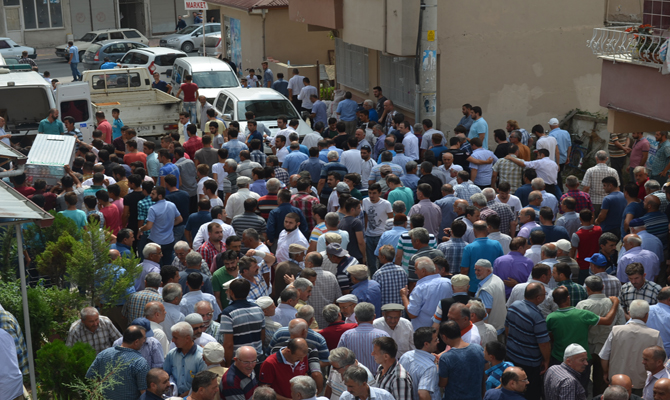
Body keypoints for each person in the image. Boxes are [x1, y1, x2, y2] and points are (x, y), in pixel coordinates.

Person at [600, 300, 664, 394]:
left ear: (629, 313)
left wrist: (606, 372)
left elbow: (604, 356)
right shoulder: (654, 335)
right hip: (641, 382)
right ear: (647, 315)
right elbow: (661, 361)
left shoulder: (616, 330)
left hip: (617, 382)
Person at [85, 326, 149, 400]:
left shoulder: (104, 354)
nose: (144, 341)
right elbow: (144, 392)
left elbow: (90, 376)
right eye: (144, 338)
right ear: (136, 342)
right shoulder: (139, 362)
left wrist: (99, 393)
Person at [437, 320, 486, 399]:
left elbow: (442, 383)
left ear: (444, 337)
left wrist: (436, 365)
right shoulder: (479, 349)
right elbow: (485, 373)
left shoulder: (446, 358)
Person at [400, 257, 453, 329]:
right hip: (444, 329)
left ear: (423, 271)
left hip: (424, 332)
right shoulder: (448, 283)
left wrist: (403, 296)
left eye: (416, 269)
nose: (415, 272)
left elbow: (412, 314)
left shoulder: (420, 288)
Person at [338, 302, 390, 372]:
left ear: (356, 318)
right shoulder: (383, 335)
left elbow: (339, 358)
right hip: (378, 378)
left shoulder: (346, 335)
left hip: (354, 378)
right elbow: (391, 360)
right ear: (374, 317)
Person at [399, 327, 441, 400]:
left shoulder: (406, 356)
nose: (438, 342)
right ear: (426, 344)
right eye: (435, 340)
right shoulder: (429, 367)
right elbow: (423, 394)